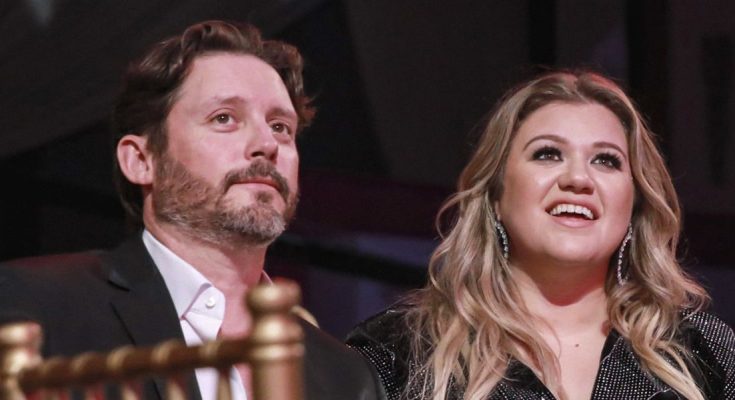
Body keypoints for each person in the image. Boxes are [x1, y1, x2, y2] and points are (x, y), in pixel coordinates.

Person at [0, 20, 381, 400]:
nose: (266, 143)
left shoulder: (346, 376)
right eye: (224, 118)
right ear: (141, 160)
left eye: (281, 127)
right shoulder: (33, 304)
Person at [346, 70, 735, 400]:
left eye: (606, 160)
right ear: (496, 195)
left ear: (634, 205)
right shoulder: (397, 352)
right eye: (547, 154)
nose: (578, 178)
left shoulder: (704, 352)